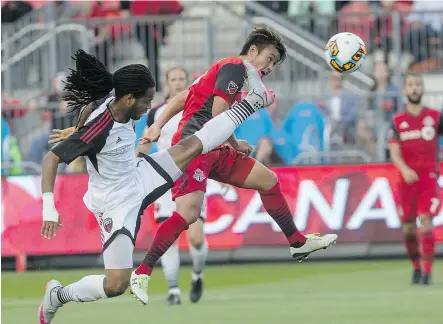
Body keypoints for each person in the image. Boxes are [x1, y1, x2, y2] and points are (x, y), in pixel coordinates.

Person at [38, 49, 274, 324]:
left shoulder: (111, 102)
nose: (150, 107)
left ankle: (253, 102)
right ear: (128, 99)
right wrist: (48, 207)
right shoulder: (99, 129)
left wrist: (77, 128)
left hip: (140, 175)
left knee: (197, 143)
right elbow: (50, 158)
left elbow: (89, 108)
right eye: (146, 101)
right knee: (116, 285)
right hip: (115, 203)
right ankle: (57, 296)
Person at [130, 26, 338, 306]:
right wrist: (235, 142)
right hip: (195, 146)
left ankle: (298, 243)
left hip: (214, 146)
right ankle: (141, 272)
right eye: (270, 57)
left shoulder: (231, 72)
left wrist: (157, 123)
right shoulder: (235, 67)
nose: (271, 66)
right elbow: (218, 114)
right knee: (188, 214)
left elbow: (182, 97)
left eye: (275, 62)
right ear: (253, 51)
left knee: (268, 181)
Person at [144, 67, 209, 305]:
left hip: (194, 175)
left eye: (182, 78)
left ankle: (197, 275)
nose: (178, 83)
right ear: (167, 83)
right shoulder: (157, 113)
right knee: (168, 238)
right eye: (174, 79)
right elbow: (146, 139)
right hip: (165, 179)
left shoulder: (200, 108)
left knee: (196, 238)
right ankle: (173, 291)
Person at [387, 72, 440, 286]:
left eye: (418, 84)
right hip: (406, 180)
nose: (415, 88)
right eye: (410, 84)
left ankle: (427, 272)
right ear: (404, 90)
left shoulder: (436, 117)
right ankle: (416, 268)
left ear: (422, 88)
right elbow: (394, 152)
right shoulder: (397, 121)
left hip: (428, 177)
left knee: (426, 221)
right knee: (409, 227)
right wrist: (404, 169)